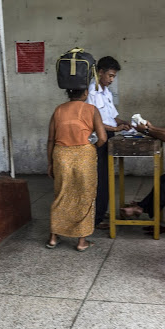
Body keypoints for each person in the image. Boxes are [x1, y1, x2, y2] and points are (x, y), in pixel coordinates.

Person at [47, 88, 107, 251]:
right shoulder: (91, 110)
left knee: (61, 193)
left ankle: (53, 237)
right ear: (86, 92)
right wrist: (92, 146)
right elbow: (102, 138)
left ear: (68, 92)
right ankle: (81, 241)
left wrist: (50, 163)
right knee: (85, 195)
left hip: (61, 154)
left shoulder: (59, 110)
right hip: (84, 155)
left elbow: (51, 139)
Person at [87, 56, 130, 229]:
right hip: (98, 139)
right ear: (100, 72)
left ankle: (100, 211)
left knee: (106, 177)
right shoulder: (91, 92)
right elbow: (91, 122)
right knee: (100, 178)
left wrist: (125, 123)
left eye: (114, 77)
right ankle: (95, 219)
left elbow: (113, 116)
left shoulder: (106, 92)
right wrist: (115, 129)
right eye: (110, 75)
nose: (112, 79)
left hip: (109, 136)